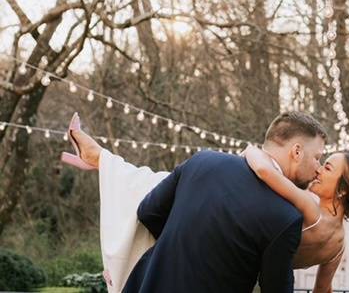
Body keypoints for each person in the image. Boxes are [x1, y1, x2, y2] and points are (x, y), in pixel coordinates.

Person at [62, 111, 327, 292]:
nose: (318, 168)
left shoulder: (204, 161)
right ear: (296, 151)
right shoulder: (285, 218)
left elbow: (148, 211)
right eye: (317, 157)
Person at [242, 145, 349, 292]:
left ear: (342, 190)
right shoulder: (338, 246)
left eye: (327, 168)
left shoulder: (310, 209)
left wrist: (251, 150)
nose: (318, 170)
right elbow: (322, 289)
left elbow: (264, 171)